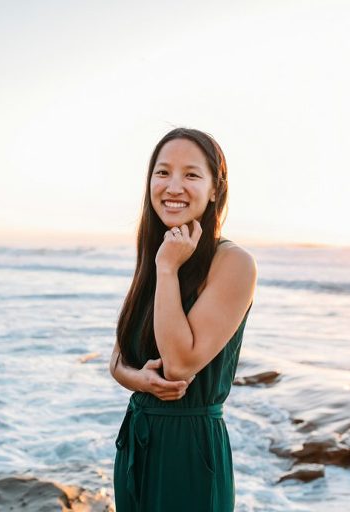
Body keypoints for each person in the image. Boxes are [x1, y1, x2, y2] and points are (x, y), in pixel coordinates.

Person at [109, 127, 257, 511]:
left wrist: (168, 270)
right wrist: (137, 379)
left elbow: (179, 364)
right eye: (163, 172)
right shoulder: (159, 253)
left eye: (191, 174)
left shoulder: (232, 262)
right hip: (138, 440)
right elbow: (119, 355)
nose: (174, 186)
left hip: (190, 448)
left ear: (214, 190)